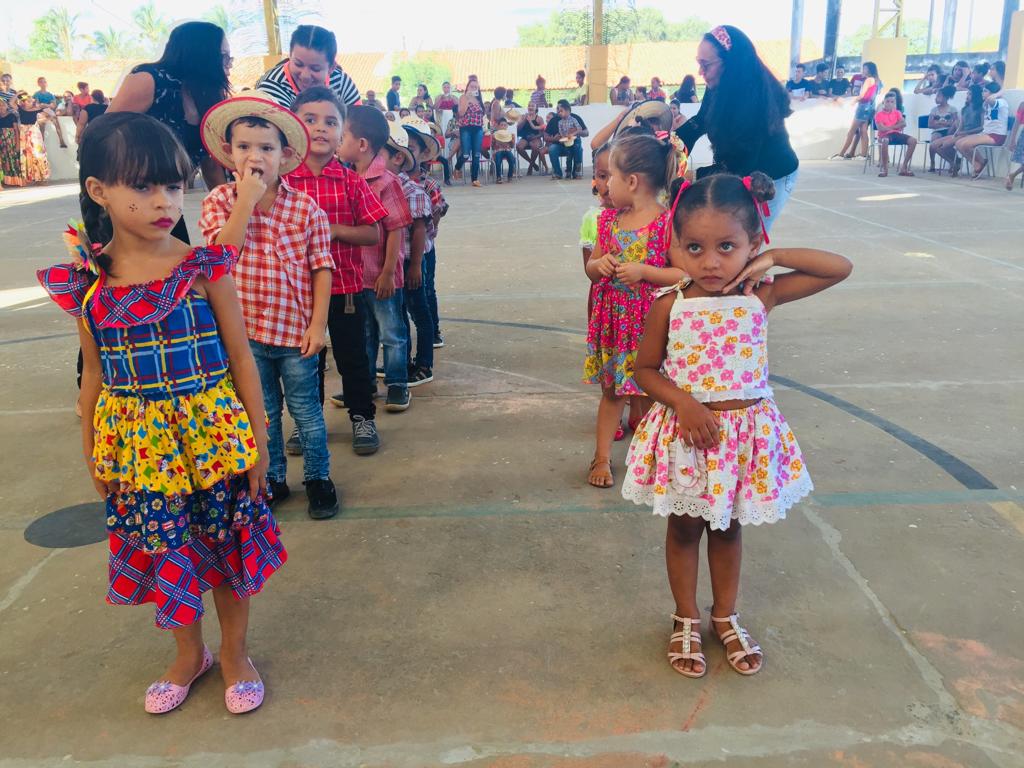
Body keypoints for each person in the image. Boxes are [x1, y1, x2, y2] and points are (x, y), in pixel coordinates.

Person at [37, 111, 286, 714]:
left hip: (214, 441)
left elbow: (242, 360)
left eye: (173, 186)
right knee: (166, 548)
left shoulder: (203, 269)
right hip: (140, 453)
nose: (164, 201)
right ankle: (187, 654)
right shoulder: (91, 283)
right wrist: (92, 451)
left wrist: (258, 439)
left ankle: (234, 654)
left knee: (226, 552)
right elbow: (93, 375)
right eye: (143, 186)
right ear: (98, 191)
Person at [621, 171, 851, 679]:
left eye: (728, 245)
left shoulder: (760, 296)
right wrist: (683, 402)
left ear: (753, 242)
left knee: (728, 529)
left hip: (741, 440)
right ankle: (685, 617)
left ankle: (725, 615)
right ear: (674, 246)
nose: (710, 261)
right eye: (694, 247)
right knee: (684, 529)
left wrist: (772, 259)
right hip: (688, 437)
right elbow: (642, 369)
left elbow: (839, 267)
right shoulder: (671, 305)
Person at [198, 93, 340, 520]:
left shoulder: (305, 208)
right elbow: (220, 259)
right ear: (228, 153)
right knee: (262, 413)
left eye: (265, 148)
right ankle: (273, 477)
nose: (254, 156)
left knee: (307, 414)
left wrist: (319, 325)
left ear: (286, 155)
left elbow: (322, 269)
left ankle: (318, 478)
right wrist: (245, 199)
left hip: (295, 334)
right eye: (243, 147)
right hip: (243, 338)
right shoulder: (219, 203)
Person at [285, 86, 385, 456]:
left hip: (343, 288)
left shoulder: (351, 182)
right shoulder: (281, 183)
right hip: (295, 293)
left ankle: (362, 416)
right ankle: (305, 421)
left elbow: (373, 232)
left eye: (330, 122)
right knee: (303, 363)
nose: (320, 128)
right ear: (293, 125)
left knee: (353, 357)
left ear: (342, 132)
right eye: (309, 120)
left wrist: (332, 229)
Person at [583, 133, 684, 488]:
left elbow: (683, 273)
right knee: (613, 393)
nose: (604, 184)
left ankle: (655, 456)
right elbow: (591, 266)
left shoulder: (667, 223)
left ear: (632, 181)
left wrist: (646, 273)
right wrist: (601, 266)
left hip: (650, 325)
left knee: (653, 394)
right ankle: (601, 458)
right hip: (614, 323)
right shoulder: (608, 221)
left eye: (609, 175)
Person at [675, 25, 800, 233]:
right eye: (699, 63)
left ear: (730, 64)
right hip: (740, 166)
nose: (701, 72)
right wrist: (671, 145)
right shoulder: (719, 83)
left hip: (770, 176)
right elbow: (702, 119)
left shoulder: (753, 101)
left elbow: (738, 168)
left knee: (746, 240)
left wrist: (691, 176)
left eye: (706, 65)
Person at [109, 20, 233, 214]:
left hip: (167, 201)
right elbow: (102, 135)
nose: (228, 65)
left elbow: (210, 160)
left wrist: (227, 210)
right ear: (201, 54)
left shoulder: (206, 95)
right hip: (127, 199)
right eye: (223, 57)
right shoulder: (149, 80)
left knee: (176, 244)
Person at [342, 106, 414, 412]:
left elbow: (396, 228)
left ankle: (397, 384)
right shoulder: (346, 178)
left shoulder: (386, 182)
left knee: (391, 333)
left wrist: (387, 272)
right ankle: (366, 384)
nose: (337, 141)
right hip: (356, 277)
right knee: (365, 333)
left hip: (381, 276)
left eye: (342, 135)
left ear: (361, 144)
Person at [382, 123, 433, 387]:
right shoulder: (380, 188)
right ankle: (402, 361)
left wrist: (415, 267)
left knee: (418, 312)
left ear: (397, 158)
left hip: (411, 263)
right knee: (399, 314)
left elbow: (419, 231)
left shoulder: (411, 192)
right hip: (393, 265)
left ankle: (424, 364)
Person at [403, 119, 448, 357]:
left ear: (422, 154)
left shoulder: (428, 184)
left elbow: (435, 217)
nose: (409, 151)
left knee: (426, 290)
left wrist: (431, 224)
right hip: (403, 249)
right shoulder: (394, 181)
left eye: (414, 147)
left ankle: (433, 332)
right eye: (405, 146)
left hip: (424, 250)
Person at [255, 25, 361, 111]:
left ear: (331, 68)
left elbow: (358, 127)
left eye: (315, 69)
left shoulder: (342, 83)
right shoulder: (271, 88)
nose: (305, 76)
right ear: (289, 57)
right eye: (298, 64)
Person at [956, 81, 1009, 179]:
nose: (982, 93)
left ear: (992, 93)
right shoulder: (986, 104)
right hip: (986, 133)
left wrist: (997, 93)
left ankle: (979, 164)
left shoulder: (1001, 102)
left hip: (996, 135)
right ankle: (979, 163)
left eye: (985, 91)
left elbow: (991, 99)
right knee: (958, 143)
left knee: (966, 145)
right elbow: (990, 106)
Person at [932, 83, 983, 175]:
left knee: (945, 145)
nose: (967, 95)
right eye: (967, 93)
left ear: (976, 95)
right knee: (935, 145)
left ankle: (973, 163)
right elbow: (961, 125)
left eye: (970, 94)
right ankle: (954, 163)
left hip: (972, 134)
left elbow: (982, 127)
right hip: (962, 133)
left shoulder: (981, 109)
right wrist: (956, 132)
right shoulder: (965, 109)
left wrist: (965, 132)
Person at [834, 61, 881, 159]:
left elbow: (862, 95)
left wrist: (853, 102)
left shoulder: (868, 80)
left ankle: (841, 154)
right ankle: (864, 154)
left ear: (869, 69)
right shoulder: (876, 80)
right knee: (863, 130)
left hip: (863, 107)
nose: (863, 70)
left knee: (852, 131)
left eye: (864, 68)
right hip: (870, 107)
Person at [873, 92, 917, 177]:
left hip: (896, 134)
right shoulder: (879, 115)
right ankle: (885, 170)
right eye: (887, 101)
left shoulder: (897, 113)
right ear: (884, 102)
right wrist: (896, 126)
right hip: (884, 135)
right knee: (885, 141)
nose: (889, 104)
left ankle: (904, 168)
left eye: (892, 102)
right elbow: (881, 128)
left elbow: (904, 124)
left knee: (913, 141)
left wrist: (889, 127)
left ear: (895, 104)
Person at [545, 99, 588, 180]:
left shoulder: (575, 118)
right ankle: (558, 173)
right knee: (552, 149)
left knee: (578, 148)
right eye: (557, 109)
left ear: (567, 110)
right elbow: (545, 136)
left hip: (574, 143)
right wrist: (553, 139)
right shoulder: (554, 120)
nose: (558, 112)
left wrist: (576, 132)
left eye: (560, 110)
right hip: (559, 145)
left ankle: (576, 172)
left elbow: (586, 133)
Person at [16, 92, 50, 184]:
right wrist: (19, 94)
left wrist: (41, 120)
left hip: (34, 132)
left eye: (28, 100)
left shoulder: (38, 110)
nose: (26, 102)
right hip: (24, 133)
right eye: (24, 101)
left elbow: (50, 115)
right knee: (27, 155)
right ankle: (33, 178)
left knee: (39, 153)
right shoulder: (20, 110)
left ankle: (43, 177)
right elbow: (11, 103)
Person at [458, 79, 486, 187]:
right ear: (467, 87)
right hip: (466, 128)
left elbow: (482, 113)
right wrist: (468, 99)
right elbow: (461, 113)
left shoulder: (479, 100)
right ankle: (457, 167)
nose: (474, 88)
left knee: (476, 155)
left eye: (476, 87)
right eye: (472, 86)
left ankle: (475, 179)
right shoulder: (463, 97)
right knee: (465, 154)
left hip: (478, 128)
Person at [926, 86, 959, 172]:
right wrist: (944, 124)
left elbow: (956, 123)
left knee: (947, 143)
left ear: (945, 97)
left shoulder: (952, 109)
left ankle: (955, 160)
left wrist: (938, 123)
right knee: (933, 141)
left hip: (950, 131)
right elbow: (930, 124)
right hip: (937, 131)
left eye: (938, 96)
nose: (936, 98)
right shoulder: (934, 110)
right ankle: (933, 162)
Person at [31, 77, 67, 148]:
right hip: (41, 112)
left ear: (46, 83)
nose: (43, 83)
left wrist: (44, 105)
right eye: (41, 82)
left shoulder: (50, 94)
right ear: (38, 84)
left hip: (49, 111)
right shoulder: (36, 94)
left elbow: (53, 105)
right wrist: (45, 106)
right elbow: (36, 105)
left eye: (44, 82)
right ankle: (42, 143)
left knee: (56, 122)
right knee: (41, 125)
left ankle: (61, 140)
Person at [516, 102, 548, 175]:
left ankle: (530, 167)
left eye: (532, 106)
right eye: (529, 106)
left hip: (536, 137)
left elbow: (542, 133)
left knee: (535, 147)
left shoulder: (539, 119)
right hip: (525, 137)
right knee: (518, 147)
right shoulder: (523, 116)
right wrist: (524, 120)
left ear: (536, 108)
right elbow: (518, 129)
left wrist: (535, 137)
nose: (530, 107)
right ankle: (532, 163)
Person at [1005, 99, 1024, 190]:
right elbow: (1016, 123)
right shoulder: (1022, 105)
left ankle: (1012, 175)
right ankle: (1012, 175)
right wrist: (1012, 140)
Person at [490, 116, 515, 184]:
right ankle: (498, 177)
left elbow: (512, 146)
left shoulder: (510, 134)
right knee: (498, 161)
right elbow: (492, 146)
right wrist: (495, 139)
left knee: (512, 160)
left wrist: (512, 140)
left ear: (507, 126)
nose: (503, 126)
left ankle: (510, 176)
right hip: (498, 151)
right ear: (498, 126)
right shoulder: (494, 134)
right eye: (501, 125)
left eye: (505, 125)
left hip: (507, 150)